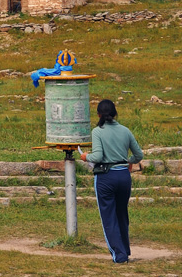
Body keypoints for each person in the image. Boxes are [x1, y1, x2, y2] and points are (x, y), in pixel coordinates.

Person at [80, 99, 144, 264]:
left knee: (108, 217)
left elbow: (98, 157)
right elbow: (139, 155)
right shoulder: (125, 130)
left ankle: (119, 255)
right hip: (124, 176)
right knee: (121, 214)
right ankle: (125, 249)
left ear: (98, 114)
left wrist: (85, 156)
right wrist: (128, 160)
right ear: (115, 113)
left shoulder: (97, 131)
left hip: (106, 177)